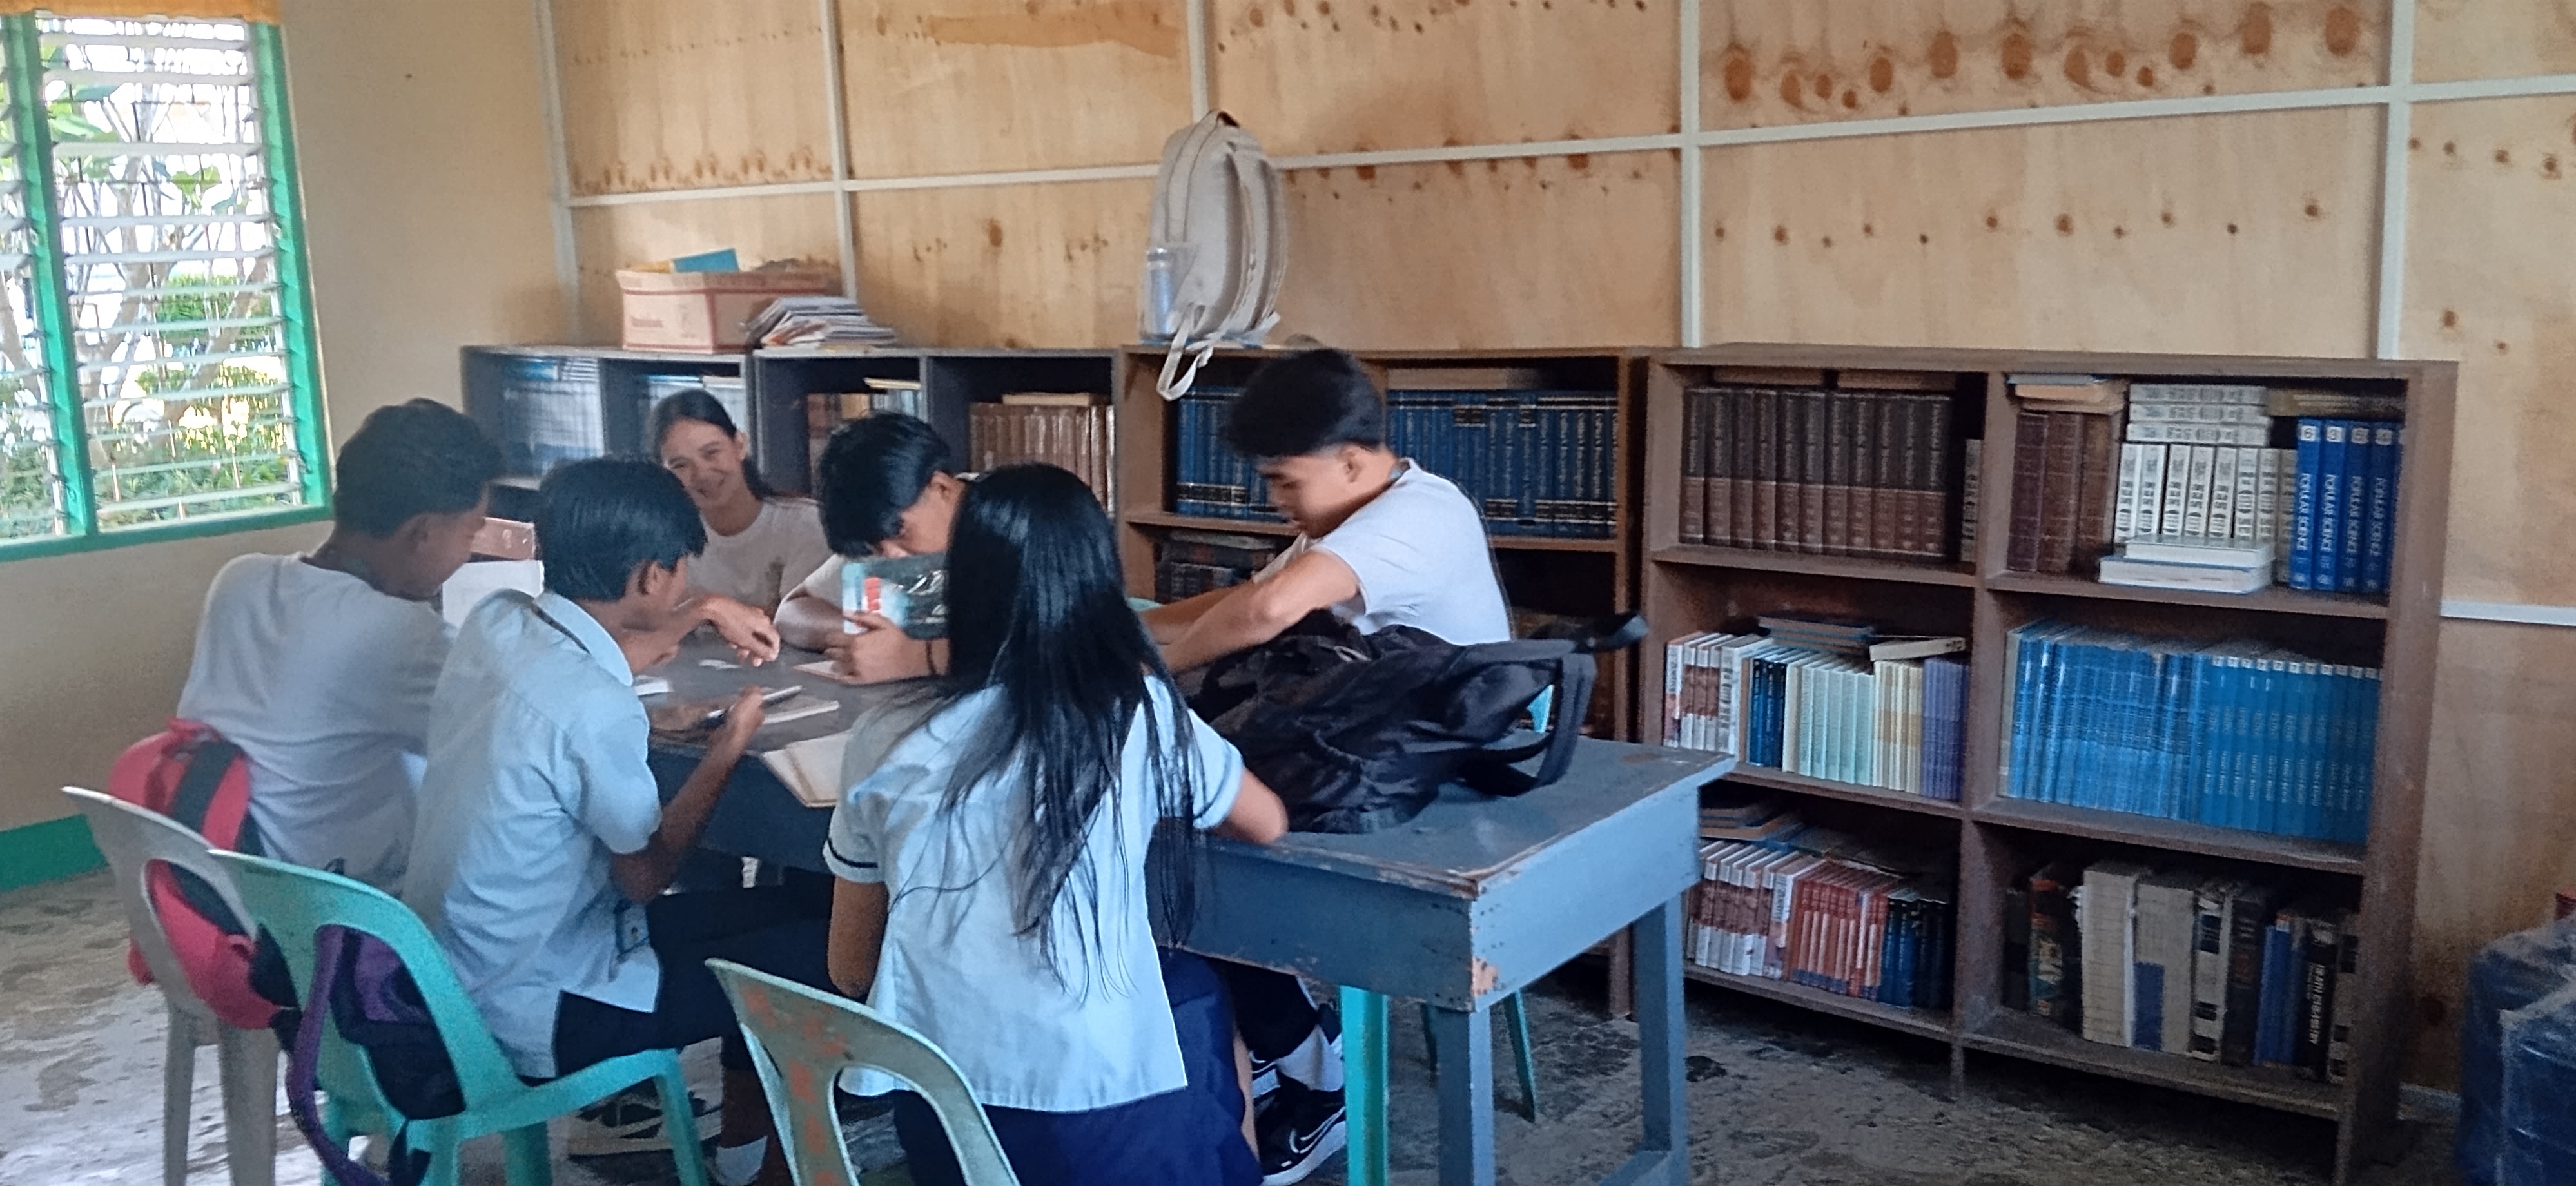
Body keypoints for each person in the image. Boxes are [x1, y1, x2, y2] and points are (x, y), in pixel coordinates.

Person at [820, 463, 1289, 1186]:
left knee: (1187, 990)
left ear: (958, 580)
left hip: (936, 1115)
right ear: (1098, 583)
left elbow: (850, 968)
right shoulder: (1132, 708)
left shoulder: (881, 736)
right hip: (1097, 1117)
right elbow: (1266, 821)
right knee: (1198, 995)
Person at [1142, 348, 1512, 1185]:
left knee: (1197, 844)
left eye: (1284, 481)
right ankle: (1287, 1041)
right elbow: (1241, 601)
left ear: (1351, 460)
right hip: (1370, 740)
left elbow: (1270, 609)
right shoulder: (1344, 521)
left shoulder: (1419, 515)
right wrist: (1129, 629)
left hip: (1435, 766)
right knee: (1182, 823)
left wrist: (1153, 677)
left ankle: (1318, 1081)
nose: (1276, 502)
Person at [402, 458, 813, 1186]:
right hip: (547, 1007)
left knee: (798, 911)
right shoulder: (594, 706)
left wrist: (706, 609)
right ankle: (765, 1168)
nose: (685, 582)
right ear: (651, 577)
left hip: (461, 971)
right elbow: (648, 875)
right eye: (684, 571)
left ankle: (744, 1152)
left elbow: (601, 653)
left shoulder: (497, 621)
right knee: (810, 965)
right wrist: (725, 749)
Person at [174, 399, 501, 891]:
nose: (471, 550)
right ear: (424, 533)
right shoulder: (396, 631)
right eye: (472, 529)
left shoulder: (238, 580)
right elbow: (507, 736)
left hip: (225, 878)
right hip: (341, 902)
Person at [774, 413, 967, 681]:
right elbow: (791, 612)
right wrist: (864, 635)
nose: (891, 555)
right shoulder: (885, 536)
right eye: (876, 545)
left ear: (941, 487)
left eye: (901, 530)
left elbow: (1037, 646)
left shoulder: (1017, 520)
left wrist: (915, 656)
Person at [650, 390, 831, 614]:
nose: (702, 474)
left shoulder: (805, 525)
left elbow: (795, 617)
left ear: (740, 445)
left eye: (711, 453)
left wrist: (704, 607)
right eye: (680, 465)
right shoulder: (665, 539)